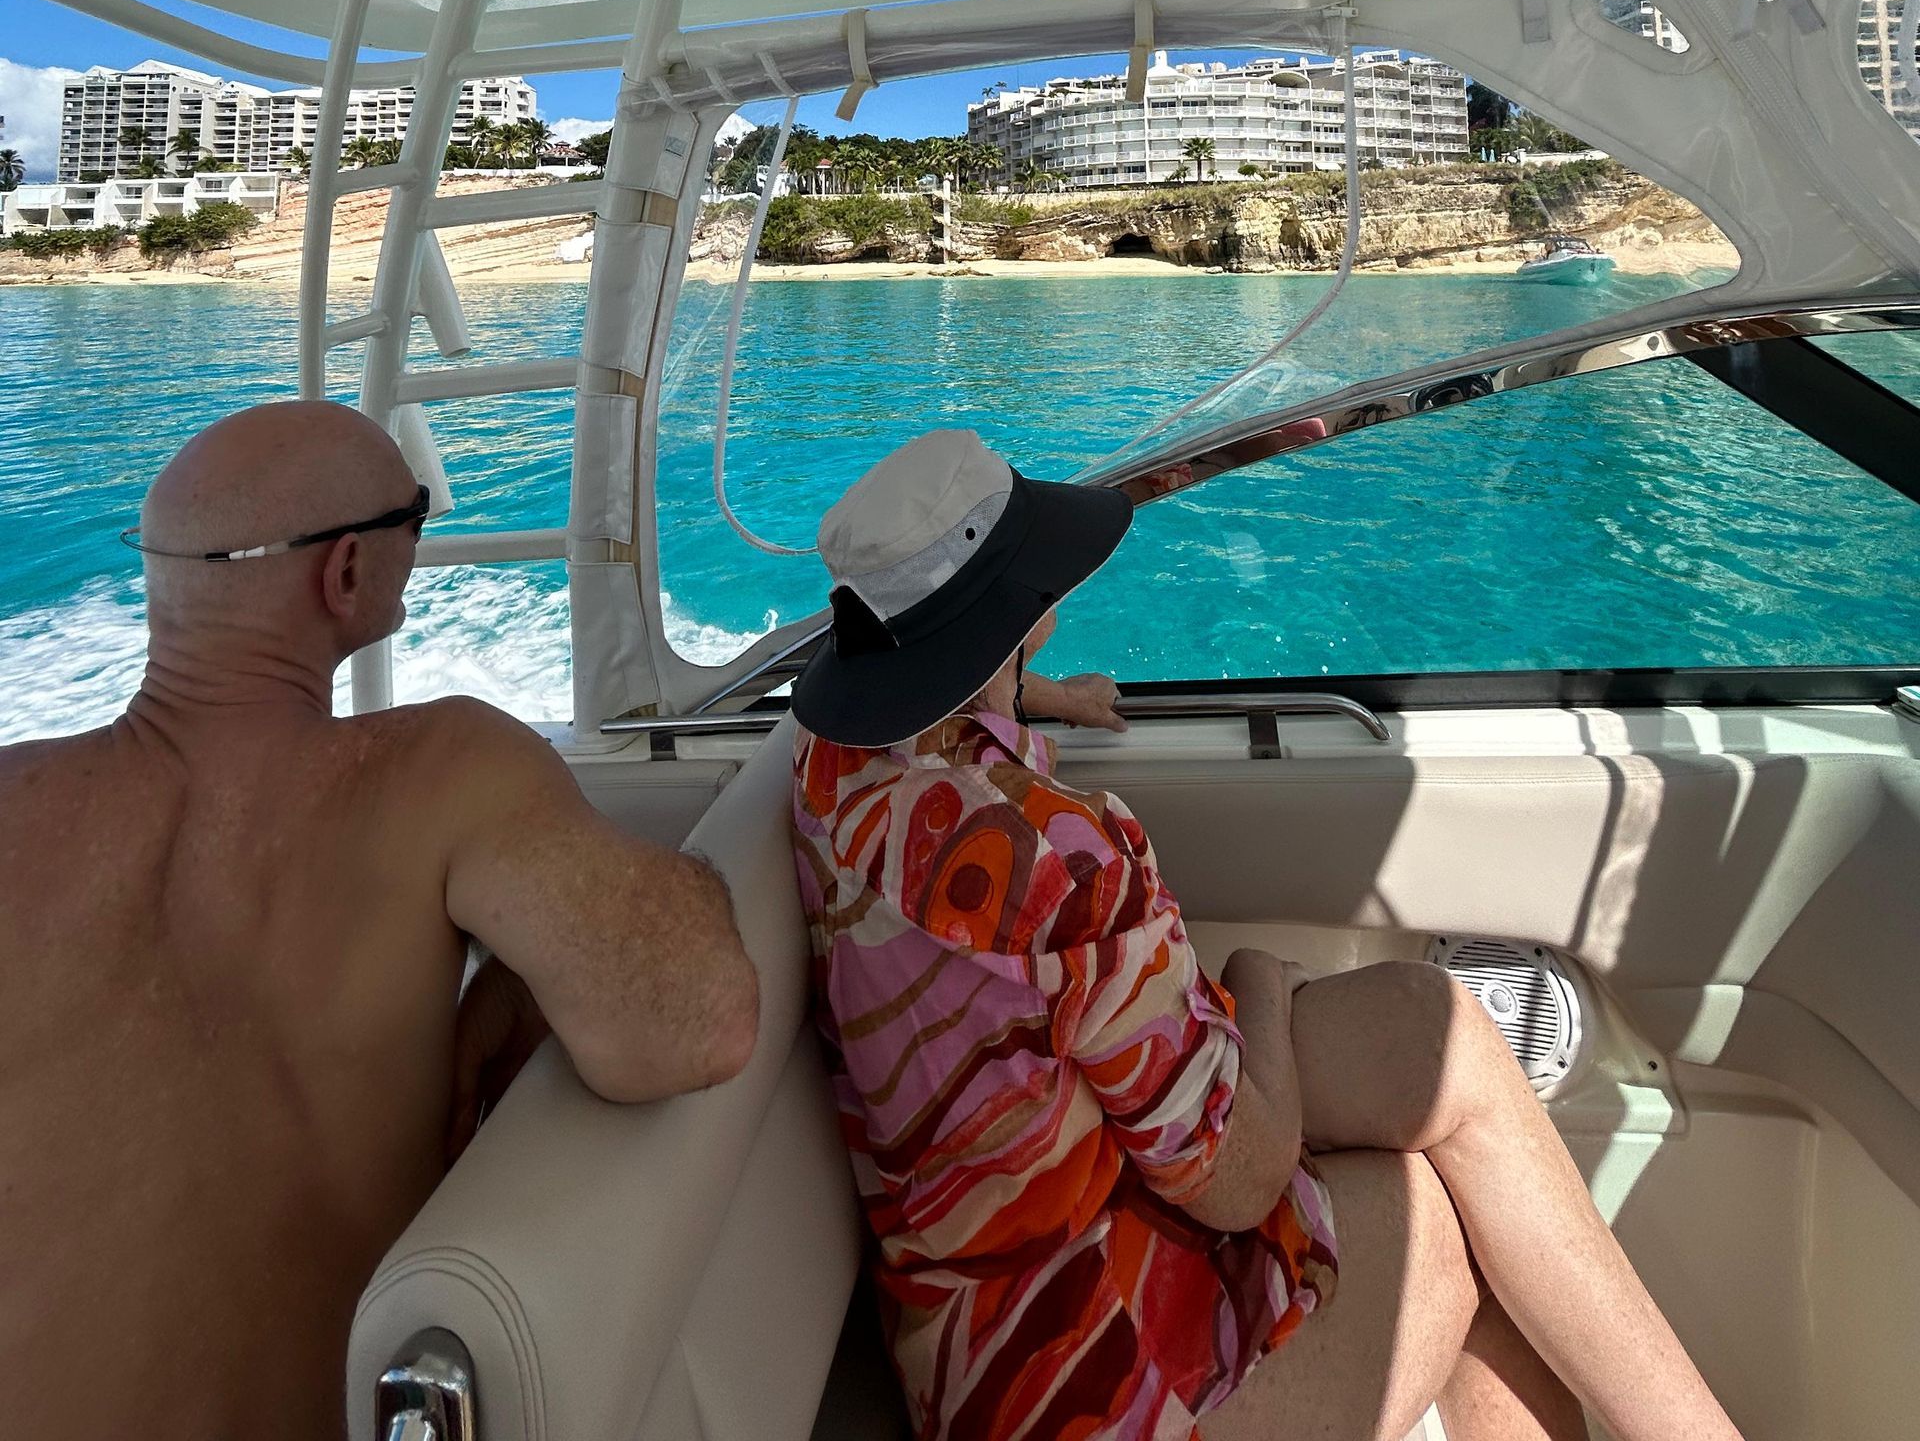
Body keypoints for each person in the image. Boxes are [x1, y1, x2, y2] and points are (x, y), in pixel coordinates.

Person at [791, 428, 1741, 1441]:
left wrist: (1033, 696)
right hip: (1075, 1367)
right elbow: (1238, 1183)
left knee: (1438, 1029)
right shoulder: (1066, 856)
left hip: (967, 1298)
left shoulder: (829, 768)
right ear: (1007, 616)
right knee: (1450, 1218)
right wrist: (1263, 987)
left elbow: (939, 703)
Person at [0, 400, 759, 1441]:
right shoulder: (438, 769)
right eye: (416, 518)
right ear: (347, 572)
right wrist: (533, 969)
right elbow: (693, 1022)